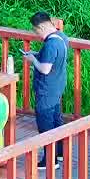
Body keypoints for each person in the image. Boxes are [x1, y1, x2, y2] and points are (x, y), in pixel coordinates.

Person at [19, 11, 69, 169]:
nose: (36, 34)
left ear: (41, 28)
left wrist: (33, 59)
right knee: (56, 120)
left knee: (45, 124)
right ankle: (60, 152)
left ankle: (50, 160)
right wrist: (36, 54)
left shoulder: (50, 44)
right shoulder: (62, 37)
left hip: (46, 90)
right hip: (57, 86)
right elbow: (52, 60)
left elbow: (45, 68)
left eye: (35, 30)